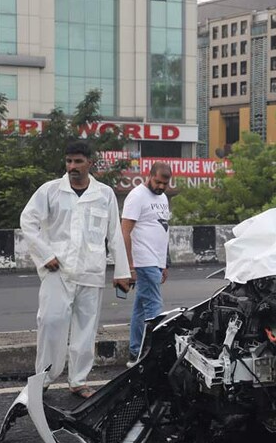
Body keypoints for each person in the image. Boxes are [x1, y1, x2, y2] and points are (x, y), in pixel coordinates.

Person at [20, 142, 132, 399]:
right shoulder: (50, 190)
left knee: (85, 330)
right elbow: (28, 221)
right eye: (69, 161)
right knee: (50, 322)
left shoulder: (104, 194)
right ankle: (43, 379)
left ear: (89, 163)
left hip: (91, 271)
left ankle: (78, 380)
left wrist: (121, 272)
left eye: (78, 161)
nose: (72, 166)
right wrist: (45, 254)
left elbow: (114, 233)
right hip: (57, 271)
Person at [121, 162, 172, 366]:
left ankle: (136, 352)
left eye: (165, 183)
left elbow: (162, 229)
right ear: (149, 176)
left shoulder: (163, 198)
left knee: (141, 309)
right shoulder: (137, 196)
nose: (161, 186)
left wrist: (163, 263)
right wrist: (129, 266)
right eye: (157, 182)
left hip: (156, 261)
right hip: (143, 261)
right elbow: (125, 231)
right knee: (154, 309)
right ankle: (152, 356)